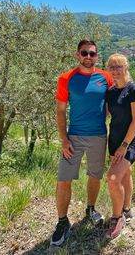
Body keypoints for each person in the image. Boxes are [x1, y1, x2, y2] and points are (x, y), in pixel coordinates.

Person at [51, 39, 113, 246]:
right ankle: (62, 222)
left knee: (95, 176)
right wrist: (64, 140)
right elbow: (60, 111)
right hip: (74, 138)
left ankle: (90, 209)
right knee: (63, 179)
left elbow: (113, 103)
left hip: (98, 136)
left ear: (97, 56)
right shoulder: (66, 78)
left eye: (92, 54)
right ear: (77, 54)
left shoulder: (105, 78)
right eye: (84, 53)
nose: (88, 57)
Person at [104, 53, 135, 239]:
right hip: (114, 142)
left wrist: (124, 146)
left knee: (113, 179)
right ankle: (127, 209)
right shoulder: (110, 92)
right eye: (111, 66)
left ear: (126, 67)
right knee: (124, 174)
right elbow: (106, 116)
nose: (114, 70)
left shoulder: (134, 90)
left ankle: (117, 216)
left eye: (118, 66)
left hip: (130, 142)